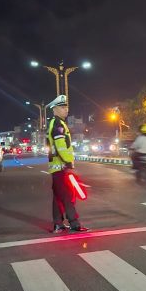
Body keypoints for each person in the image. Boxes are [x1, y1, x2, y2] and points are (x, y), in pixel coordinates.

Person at [46, 95, 89, 233]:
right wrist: (68, 163)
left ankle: (58, 224)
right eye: (63, 107)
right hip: (61, 166)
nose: (66, 110)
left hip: (57, 167)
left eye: (66, 107)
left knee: (59, 197)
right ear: (55, 109)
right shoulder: (57, 124)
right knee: (68, 196)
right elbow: (60, 146)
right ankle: (74, 224)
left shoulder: (56, 122)